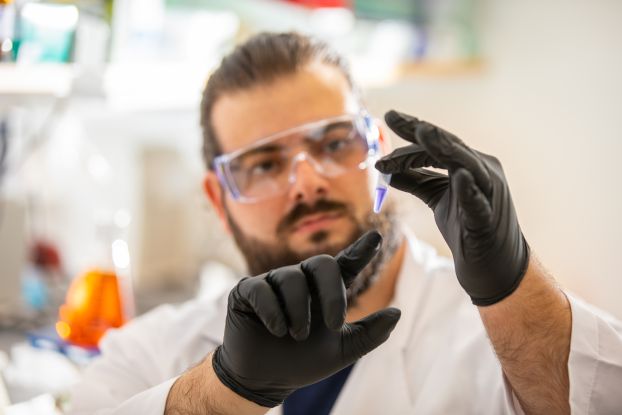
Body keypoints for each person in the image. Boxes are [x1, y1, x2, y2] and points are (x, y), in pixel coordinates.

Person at [69, 32, 622, 415]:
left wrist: (513, 284)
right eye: (264, 164)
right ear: (219, 199)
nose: (307, 182)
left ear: (377, 148)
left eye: (333, 143)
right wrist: (227, 389)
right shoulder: (151, 354)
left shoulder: (489, 334)